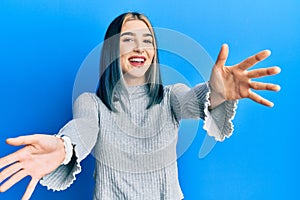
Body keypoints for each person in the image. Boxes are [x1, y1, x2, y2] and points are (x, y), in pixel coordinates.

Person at [0, 12, 280, 200]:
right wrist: (63, 148)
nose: (139, 48)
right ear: (112, 49)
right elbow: (82, 131)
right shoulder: (92, 105)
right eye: (127, 40)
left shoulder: (171, 97)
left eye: (147, 41)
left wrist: (217, 93)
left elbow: (195, 102)